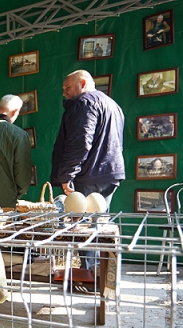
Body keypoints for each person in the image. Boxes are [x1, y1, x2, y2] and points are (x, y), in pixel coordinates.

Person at [51, 70, 125, 271]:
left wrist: (67, 174)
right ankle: (102, 277)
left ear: (82, 83)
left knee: (84, 229)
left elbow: (80, 142)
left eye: (67, 88)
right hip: (109, 173)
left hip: (88, 174)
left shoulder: (84, 102)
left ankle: (90, 274)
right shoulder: (114, 106)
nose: (64, 93)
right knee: (100, 226)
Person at [0, 94, 33, 208]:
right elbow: (23, 175)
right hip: (6, 202)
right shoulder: (20, 135)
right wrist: (15, 193)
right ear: (14, 112)